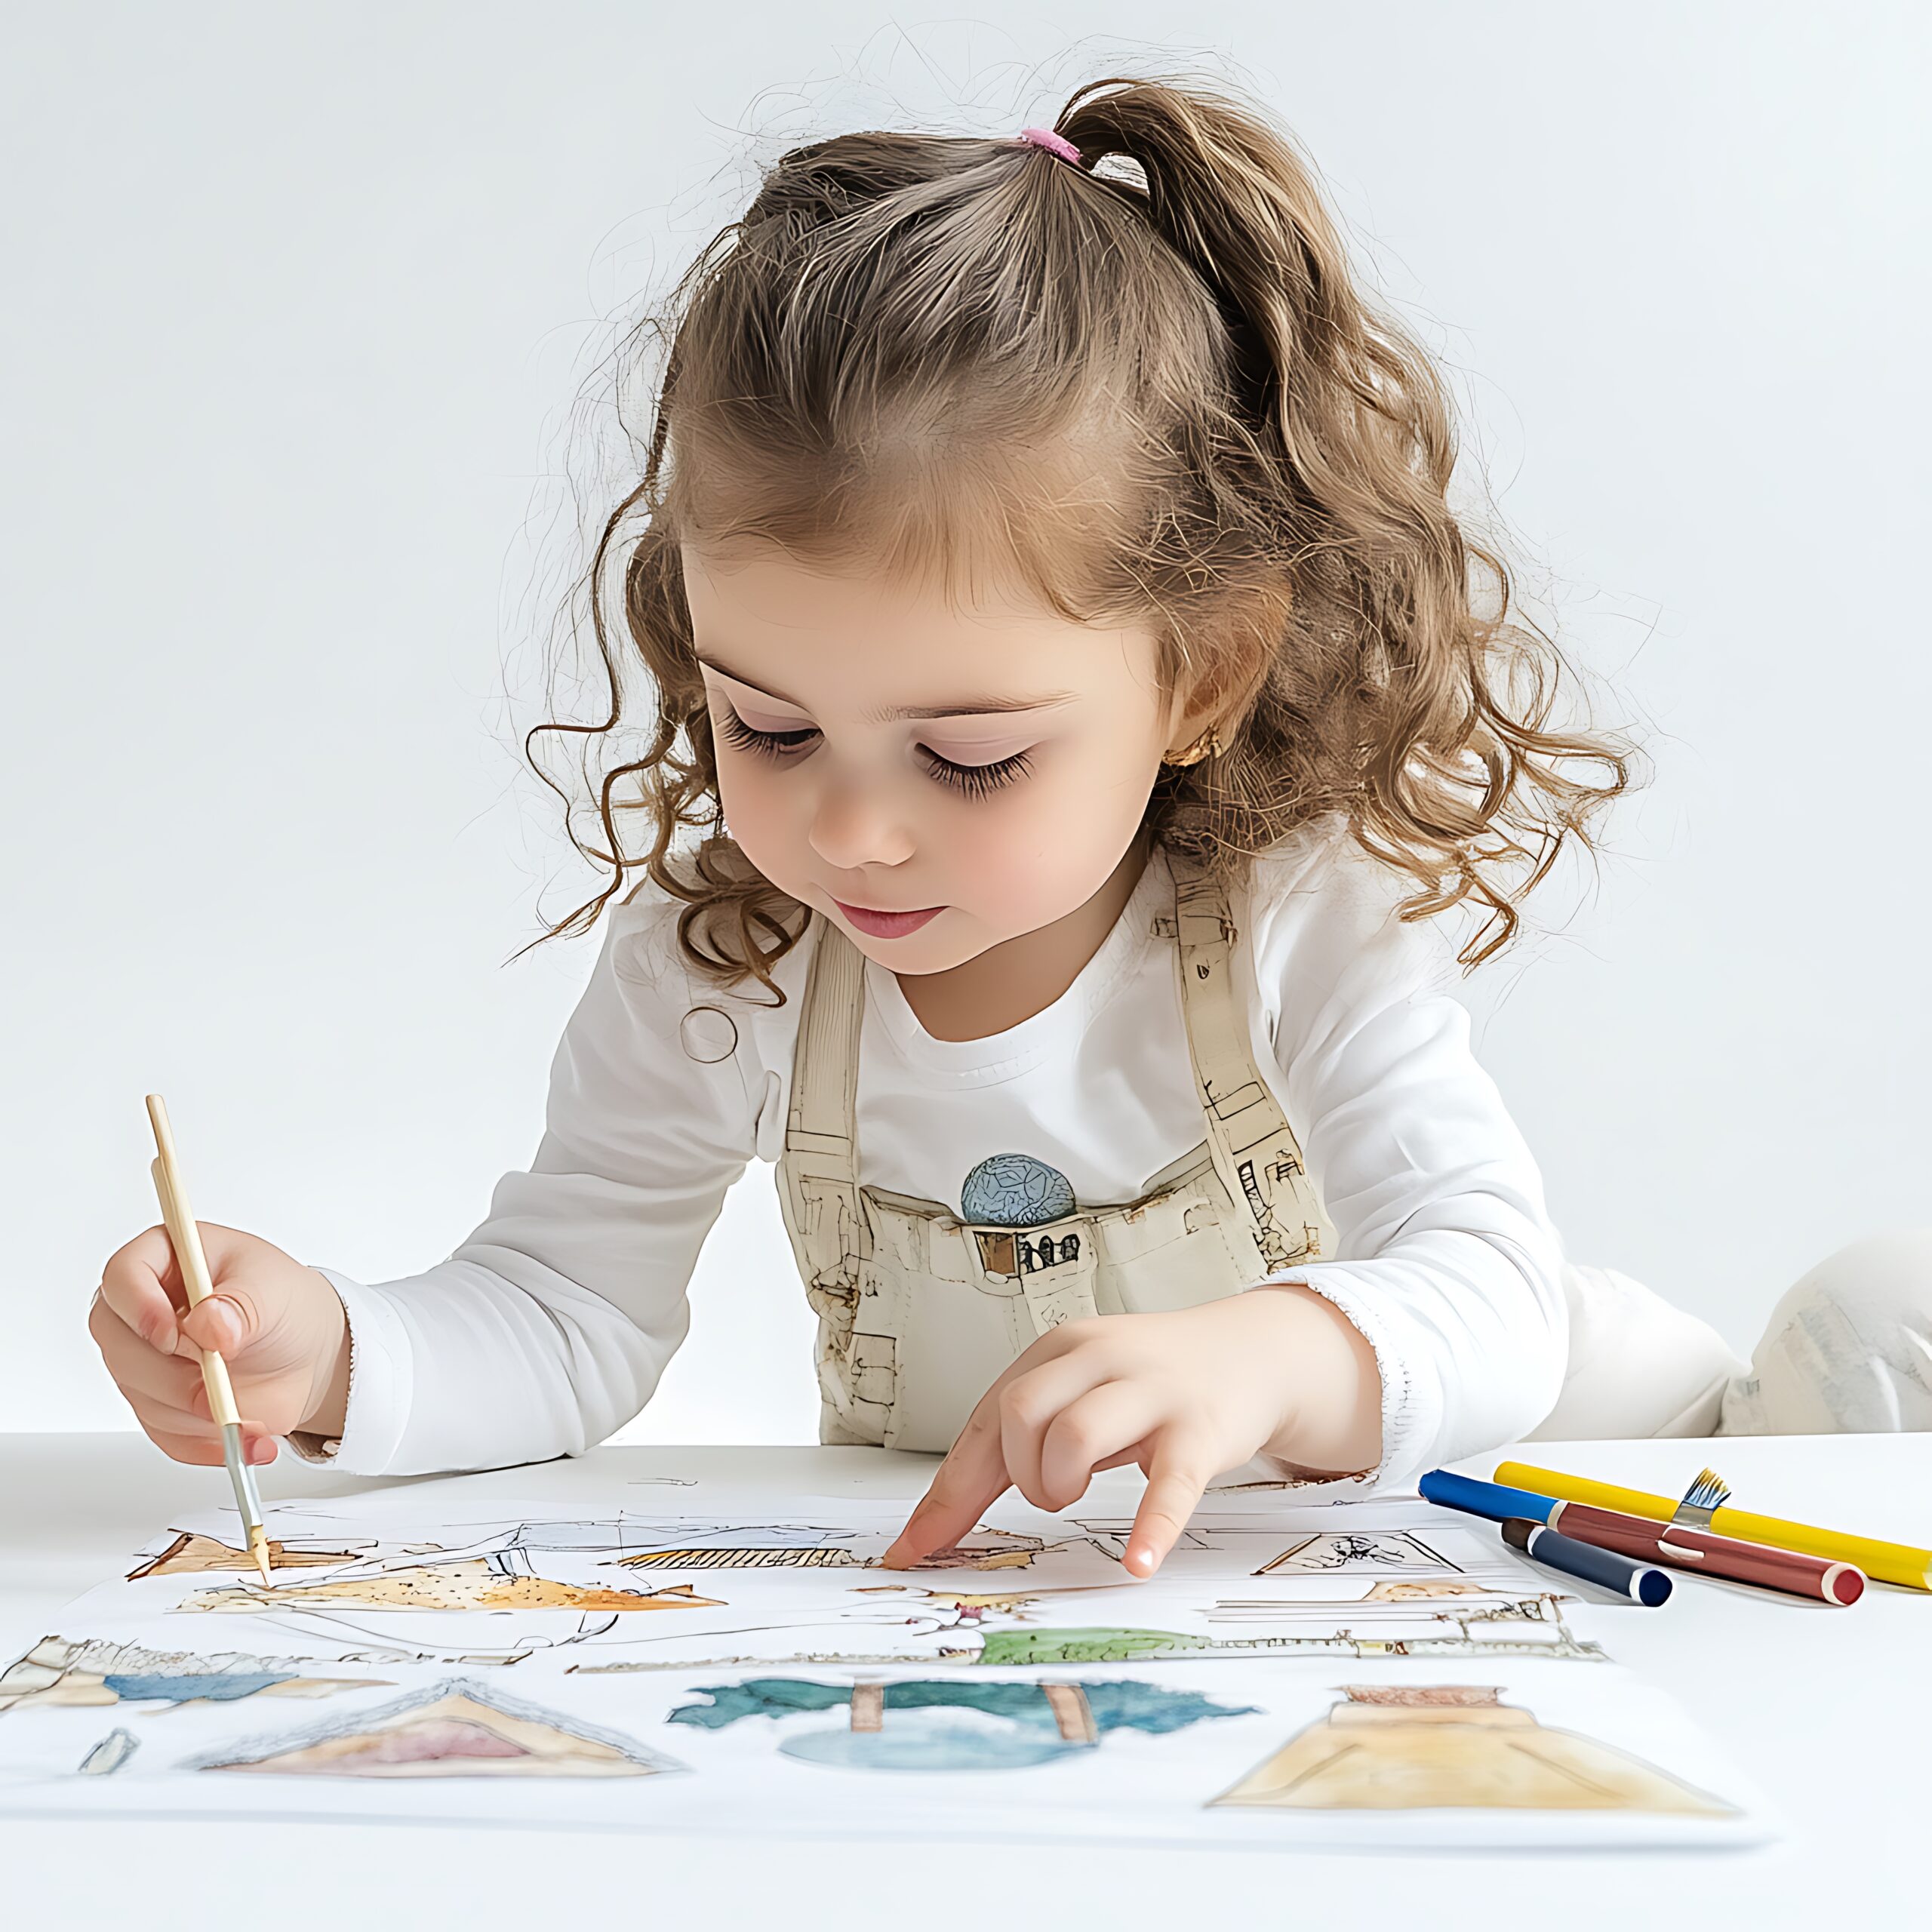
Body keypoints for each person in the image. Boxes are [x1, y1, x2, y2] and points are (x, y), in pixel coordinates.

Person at [88, 78, 1932, 1580]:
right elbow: (565, 1309)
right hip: (1162, 1617)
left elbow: (1490, 1293)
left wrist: (1266, 1354)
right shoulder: (726, 966)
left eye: (968, 757)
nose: (849, 828)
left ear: (1198, 679)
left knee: (1883, 1313)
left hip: (1632, 1497)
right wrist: (327, 1352)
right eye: (769, 721)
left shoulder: (1282, 917)